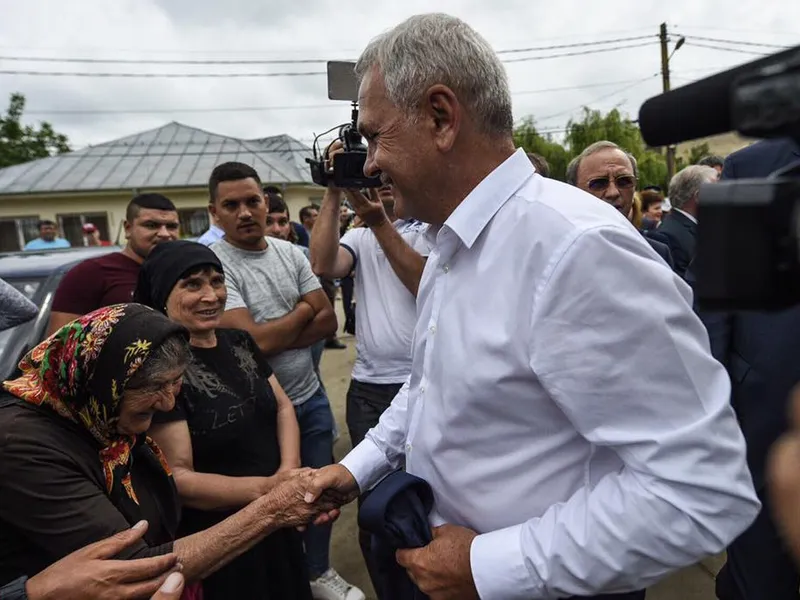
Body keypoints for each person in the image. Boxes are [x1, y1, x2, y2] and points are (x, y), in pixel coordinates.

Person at [305, 13, 760, 600]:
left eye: (375, 136)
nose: (367, 164)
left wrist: (488, 566)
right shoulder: (453, 238)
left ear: (441, 118)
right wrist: (354, 469)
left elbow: (699, 493)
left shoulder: (574, 248)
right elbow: (427, 390)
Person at [0, 304, 340, 595]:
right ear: (100, 377)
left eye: (174, 383)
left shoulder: (97, 416)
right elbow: (128, 570)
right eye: (153, 387)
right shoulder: (21, 443)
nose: (166, 403)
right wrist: (273, 509)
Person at [206, 162, 364, 600]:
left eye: (252, 201)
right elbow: (249, 342)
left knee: (318, 499)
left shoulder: (292, 252)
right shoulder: (214, 263)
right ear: (214, 213)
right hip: (254, 414)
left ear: (266, 201)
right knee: (266, 506)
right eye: (231, 204)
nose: (245, 212)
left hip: (310, 400)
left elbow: (329, 319)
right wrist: (299, 313)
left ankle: (318, 571)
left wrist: (273, 332)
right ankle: (281, 581)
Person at [134, 240, 313, 600]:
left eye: (217, 281)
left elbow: (282, 408)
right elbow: (179, 478)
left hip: (276, 516)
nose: (211, 295)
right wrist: (269, 492)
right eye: (192, 284)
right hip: (221, 535)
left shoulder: (239, 341)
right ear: (161, 295)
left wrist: (288, 473)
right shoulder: (162, 370)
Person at [310, 159, 429, 594]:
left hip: (429, 385)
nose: (380, 188)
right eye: (372, 180)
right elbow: (322, 262)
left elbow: (424, 284)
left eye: (387, 180)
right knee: (375, 504)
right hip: (371, 389)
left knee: (432, 496)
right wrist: (333, 188)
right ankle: (389, 585)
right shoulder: (359, 236)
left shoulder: (433, 231)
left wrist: (380, 223)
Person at [704, 137, 800, 600]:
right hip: (764, 418)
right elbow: (716, 305)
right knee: (761, 580)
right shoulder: (752, 166)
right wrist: (717, 411)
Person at [47, 193, 180, 335]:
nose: (164, 233)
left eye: (171, 226)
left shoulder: (184, 272)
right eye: (151, 225)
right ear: (128, 228)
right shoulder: (90, 274)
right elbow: (59, 346)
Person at [566, 141, 674, 268]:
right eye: (598, 183)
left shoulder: (657, 254)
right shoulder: (559, 257)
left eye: (624, 181)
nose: (613, 192)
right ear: (575, 191)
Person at [649, 165, 717, 279]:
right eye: (716, 191)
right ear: (699, 196)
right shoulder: (668, 236)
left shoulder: (699, 227)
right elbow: (682, 287)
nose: (721, 196)